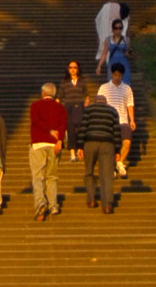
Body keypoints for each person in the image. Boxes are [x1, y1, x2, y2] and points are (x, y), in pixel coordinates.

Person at [75, 86, 121, 212]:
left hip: (90, 143)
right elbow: (116, 131)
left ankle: (91, 199)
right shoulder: (112, 111)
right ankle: (107, 204)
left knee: (89, 171)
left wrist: (79, 146)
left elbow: (83, 128)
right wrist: (117, 150)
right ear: (105, 102)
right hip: (107, 144)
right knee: (106, 175)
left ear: (95, 101)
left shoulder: (89, 110)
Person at [27, 81, 68, 220]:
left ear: (43, 93)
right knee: (52, 176)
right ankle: (54, 205)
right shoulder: (60, 108)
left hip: (38, 143)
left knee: (38, 176)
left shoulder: (35, 105)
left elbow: (35, 120)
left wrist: (49, 130)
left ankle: (40, 203)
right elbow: (63, 125)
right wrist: (60, 140)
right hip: (54, 146)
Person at [100, 63, 137, 180]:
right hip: (109, 121)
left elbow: (130, 105)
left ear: (122, 75)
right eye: (115, 75)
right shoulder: (104, 88)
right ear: (112, 74)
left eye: (119, 75)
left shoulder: (127, 88)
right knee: (110, 145)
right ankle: (111, 166)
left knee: (127, 142)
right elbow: (100, 104)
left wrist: (132, 120)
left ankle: (120, 162)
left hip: (123, 120)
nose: (117, 77)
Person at [94, 0, 123, 74]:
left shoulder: (106, 7)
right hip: (108, 32)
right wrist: (99, 65)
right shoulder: (119, 7)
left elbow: (98, 19)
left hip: (122, 63)